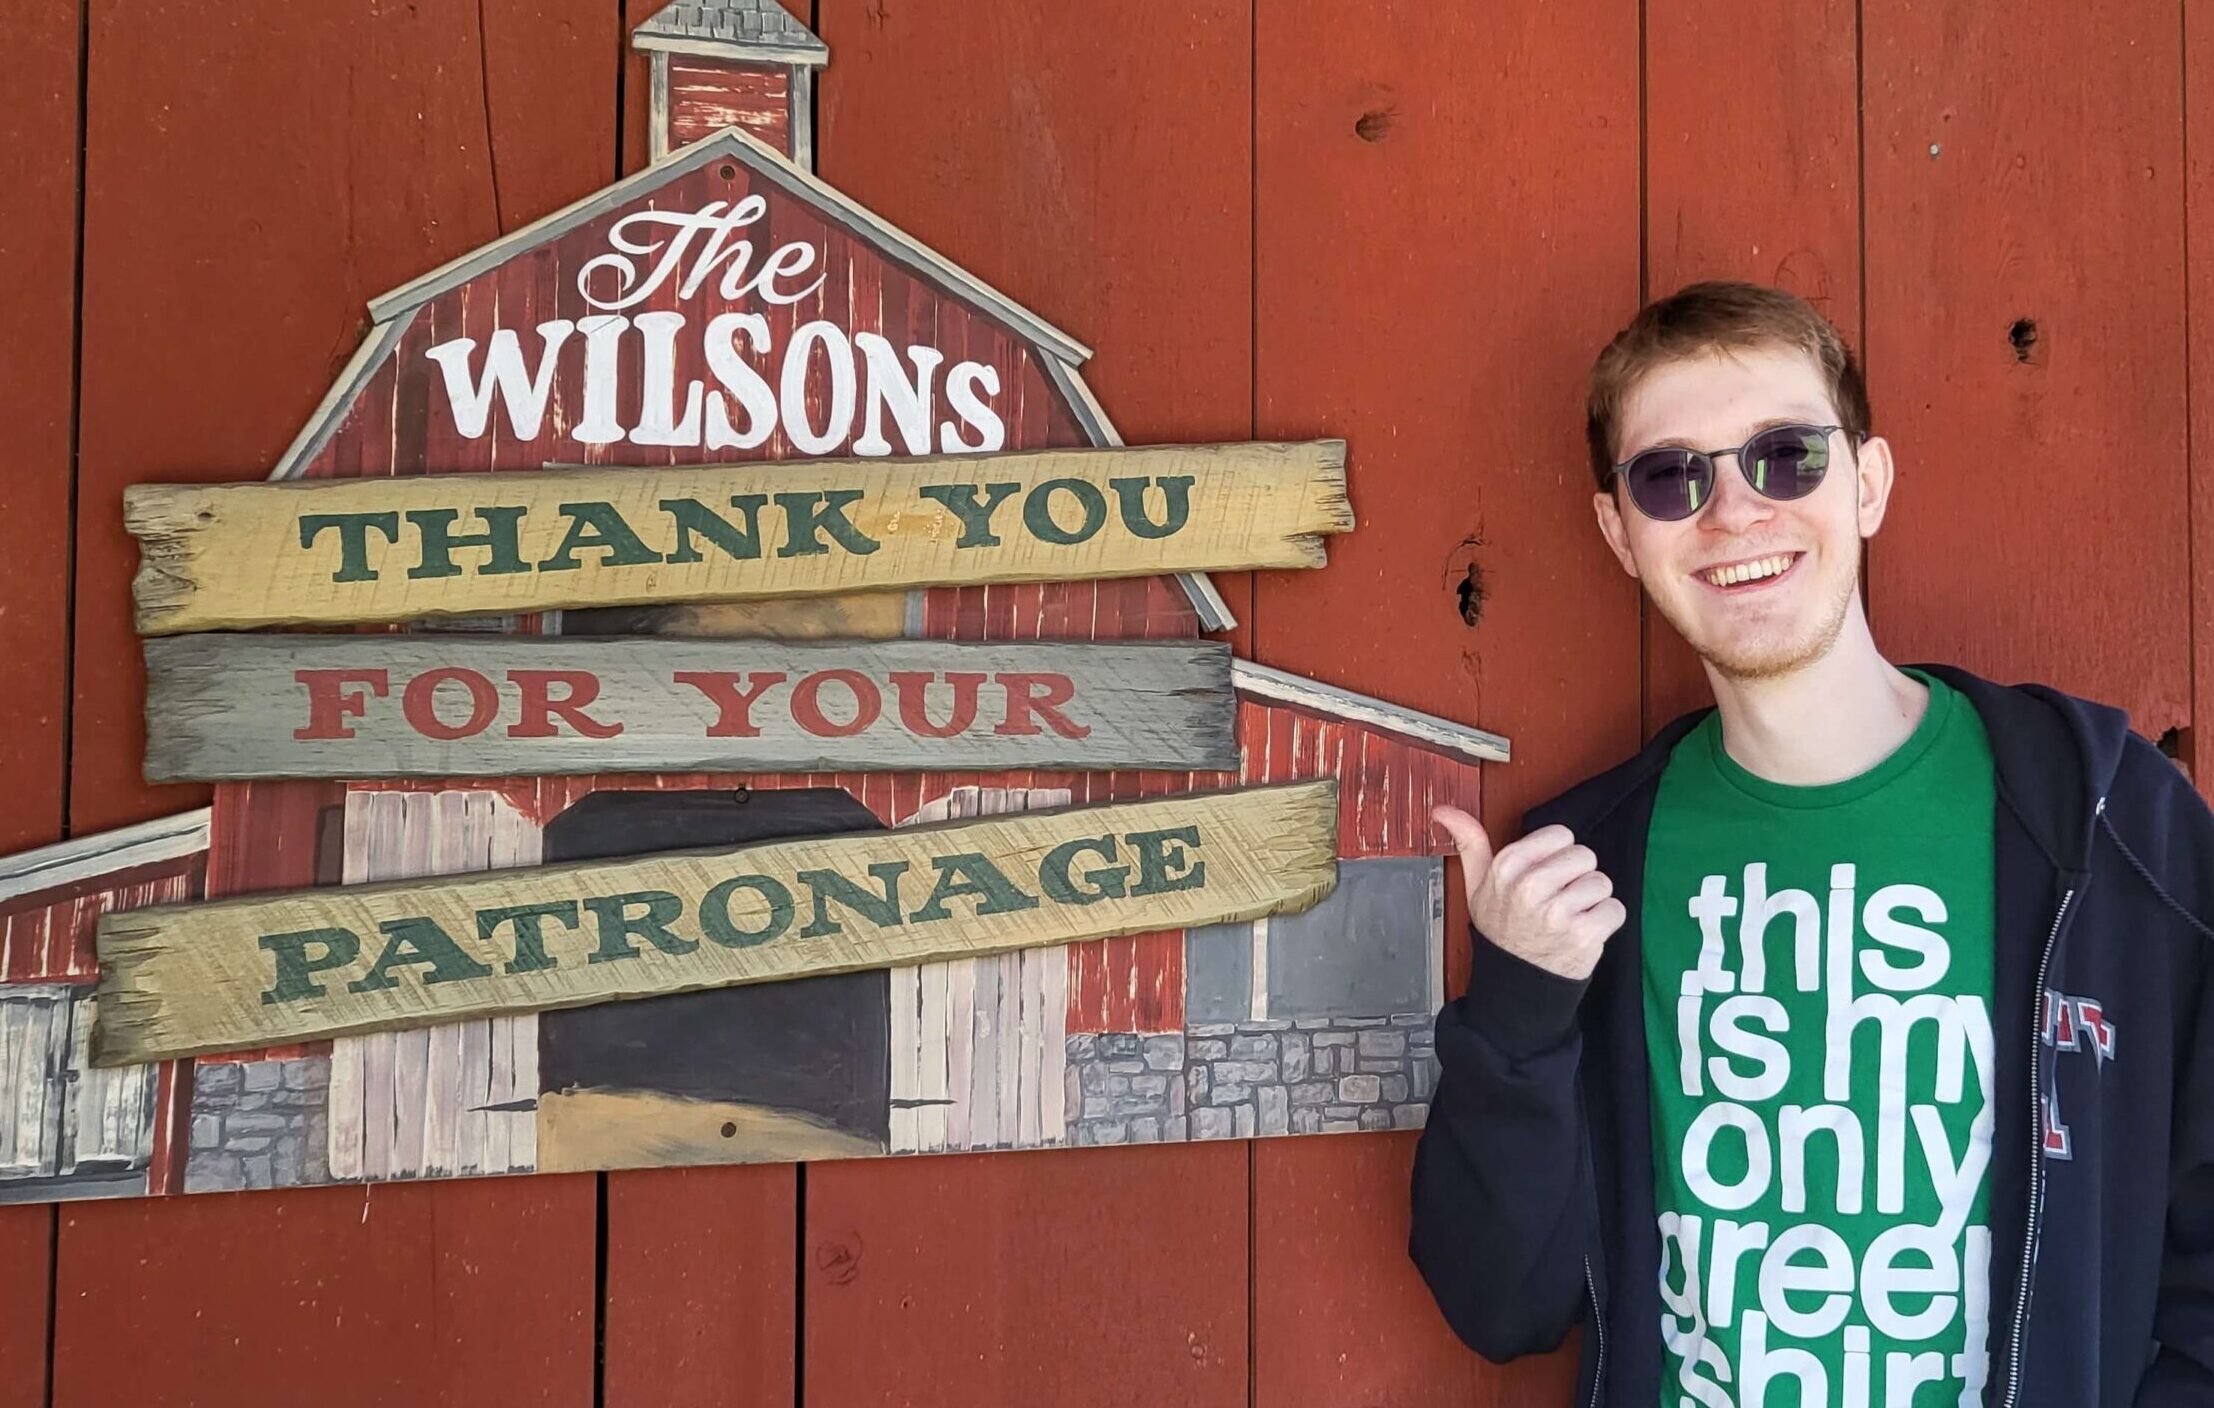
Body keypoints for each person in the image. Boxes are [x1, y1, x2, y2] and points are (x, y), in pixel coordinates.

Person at [1409, 281, 2214, 1408]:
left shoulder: (2104, 815)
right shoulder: (1588, 863)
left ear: (1869, 483)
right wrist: (1515, 1016)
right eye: (1670, 476)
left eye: (1786, 456)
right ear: (1619, 532)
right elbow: (1505, 1305)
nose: (1736, 512)